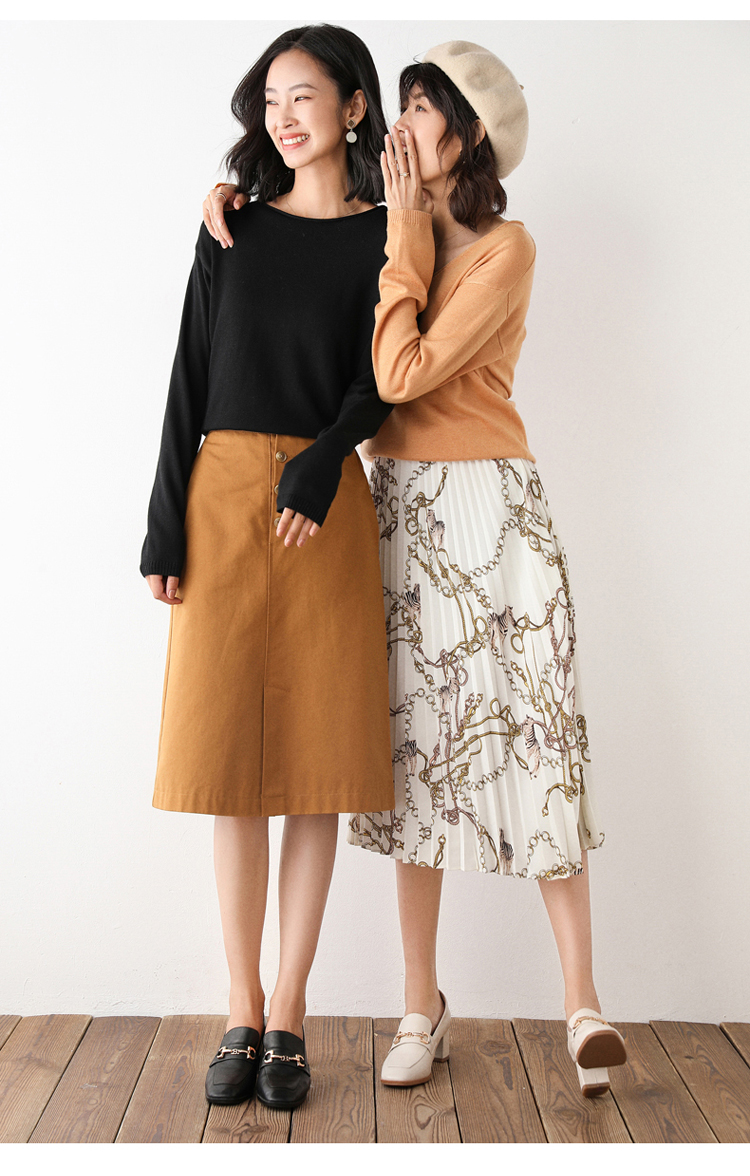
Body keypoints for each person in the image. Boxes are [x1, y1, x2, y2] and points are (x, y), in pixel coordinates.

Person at [204, 40, 627, 1100]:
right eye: (399, 104)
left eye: (425, 108)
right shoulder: (387, 229)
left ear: (469, 135)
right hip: (397, 508)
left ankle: (582, 1003)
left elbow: (399, 370)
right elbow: (310, 286)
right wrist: (237, 192)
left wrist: (396, 232)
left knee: (540, 738)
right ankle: (417, 1003)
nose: (403, 124)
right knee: (417, 763)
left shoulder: (503, 248)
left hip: (494, 508)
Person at [141, 24, 396, 1111]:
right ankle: (240, 1005)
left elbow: (384, 379)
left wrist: (327, 458)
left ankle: (290, 1006)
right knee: (230, 768)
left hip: (324, 508)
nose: (283, 117)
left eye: (304, 96)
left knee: (313, 769)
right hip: (222, 499)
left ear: (353, 105)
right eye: (270, 101)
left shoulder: (391, 235)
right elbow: (189, 373)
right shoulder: (232, 226)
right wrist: (164, 526)